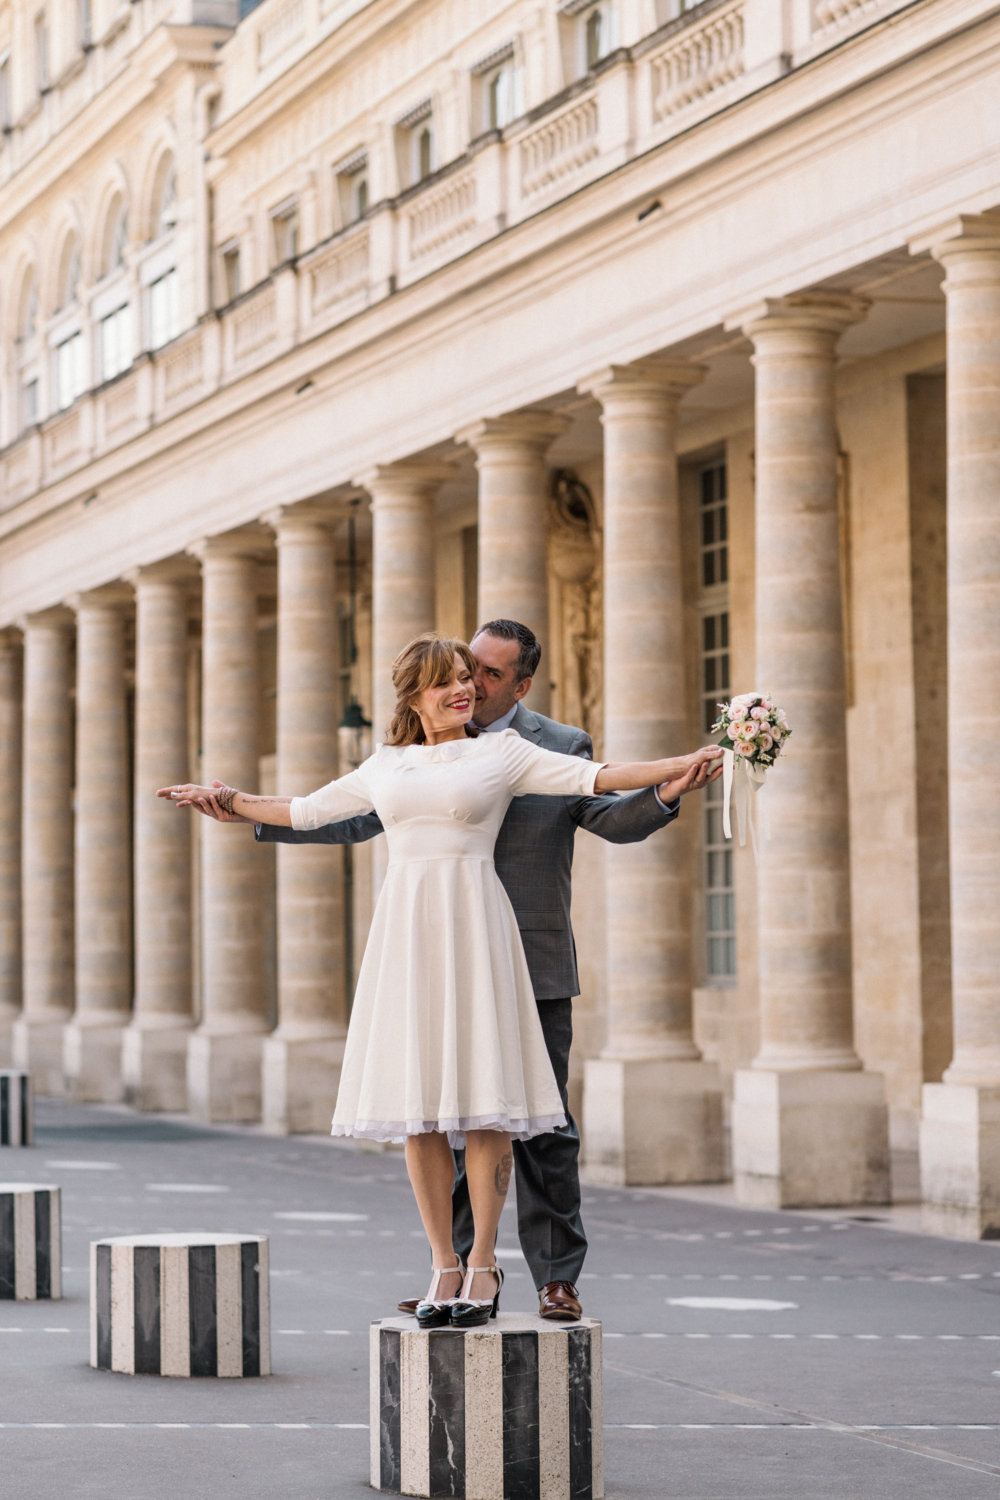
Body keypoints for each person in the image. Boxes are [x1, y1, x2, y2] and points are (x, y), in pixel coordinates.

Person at [168, 627, 721, 1327]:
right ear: (417, 692)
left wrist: (683, 771)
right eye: (457, 674)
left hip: (512, 946)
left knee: (525, 1124)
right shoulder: (388, 763)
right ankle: (449, 1265)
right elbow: (318, 813)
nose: (471, 685)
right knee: (428, 1110)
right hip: (415, 943)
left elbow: (602, 787)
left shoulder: (529, 746)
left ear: (519, 684)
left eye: (482, 674)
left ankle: (541, 1277)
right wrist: (234, 802)